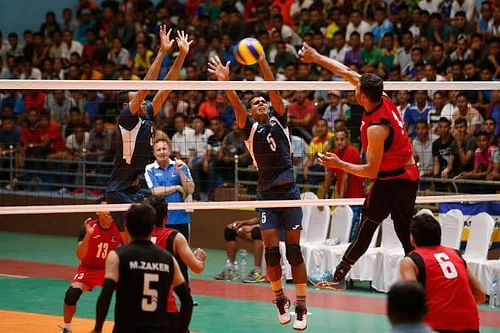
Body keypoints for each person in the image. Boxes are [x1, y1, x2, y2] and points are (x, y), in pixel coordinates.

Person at [300, 42, 419, 291]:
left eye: (356, 88)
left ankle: (337, 276)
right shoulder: (381, 96)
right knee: (403, 231)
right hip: (408, 174)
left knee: (366, 229)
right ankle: (425, 281)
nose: (352, 87)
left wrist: (339, 163)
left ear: (362, 95)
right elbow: (345, 71)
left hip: (392, 180)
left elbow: (370, 171)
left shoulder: (377, 128)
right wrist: (316, 56)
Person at [208, 55, 308, 330]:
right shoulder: (249, 129)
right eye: (256, 103)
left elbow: (273, 87)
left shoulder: (281, 121)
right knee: (272, 252)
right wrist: (226, 83)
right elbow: (237, 105)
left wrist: (263, 60)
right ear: (251, 113)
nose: (261, 103)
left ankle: (301, 305)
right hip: (267, 196)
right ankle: (279, 299)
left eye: (263, 101)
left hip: (289, 193)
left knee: (295, 252)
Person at [105, 26, 189, 242]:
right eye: (138, 98)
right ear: (128, 104)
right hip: (120, 189)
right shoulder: (127, 116)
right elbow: (147, 86)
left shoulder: (148, 112)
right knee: (129, 243)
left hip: (138, 186)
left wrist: (182, 55)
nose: (143, 100)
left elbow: (167, 86)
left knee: (149, 238)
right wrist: (162, 52)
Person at [91, 203, 193, 333]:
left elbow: (106, 295)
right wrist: (180, 328)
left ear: (126, 227)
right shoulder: (168, 259)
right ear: (152, 228)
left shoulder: (117, 256)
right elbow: (187, 301)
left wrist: (97, 328)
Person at [400, 214, 485, 333]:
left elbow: (413, 303)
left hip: (435, 326)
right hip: (470, 325)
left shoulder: (411, 261)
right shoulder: (456, 254)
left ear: (412, 238)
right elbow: (480, 294)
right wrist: (456, 308)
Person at [145, 196, 206, 333]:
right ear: (166, 217)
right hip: (166, 309)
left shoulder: (138, 237)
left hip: (139, 310)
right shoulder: (174, 237)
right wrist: (199, 257)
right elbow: (197, 268)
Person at [61, 207, 122, 333]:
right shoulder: (87, 228)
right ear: (98, 212)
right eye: (106, 209)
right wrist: (88, 235)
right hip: (88, 269)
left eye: (112, 208)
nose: (110, 212)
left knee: (130, 296)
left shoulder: (120, 228)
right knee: (71, 295)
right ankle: (67, 328)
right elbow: (80, 256)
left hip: (110, 270)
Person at [318, 127, 364, 241]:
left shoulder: (352, 151)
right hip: (343, 200)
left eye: (342, 139)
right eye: (337, 139)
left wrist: (341, 200)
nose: (339, 142)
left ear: (347, 140)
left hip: (355, 200)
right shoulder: (335, 153)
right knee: (342, 236)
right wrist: (320, 199)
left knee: (351, 238)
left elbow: (346, 177)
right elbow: (329, 177)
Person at [145, 137, 195, 242]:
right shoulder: (149, 169)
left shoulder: (181, 165)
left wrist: (181, 171)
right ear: (154, 153)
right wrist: (177, 187)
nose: (162, 152)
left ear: (170, 150)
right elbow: (156, 191)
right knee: (160, 255)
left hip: (181, 218)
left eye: (164, 149)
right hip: (159, 220)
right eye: (158, 150)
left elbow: (190, 189)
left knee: (182, 254)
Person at [214, 216, 265, 283]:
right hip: (262, 227)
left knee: (257, 232)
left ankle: (257, 272)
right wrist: (243, 222)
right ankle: (231, 269)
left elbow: (276, 223)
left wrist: (253, 227)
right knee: (230, 230)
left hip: (275, 233)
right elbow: (260, 218)